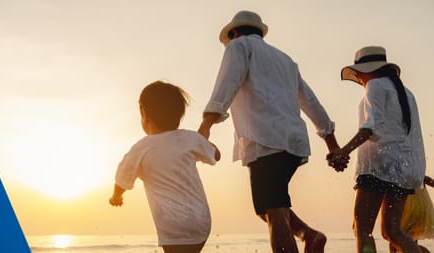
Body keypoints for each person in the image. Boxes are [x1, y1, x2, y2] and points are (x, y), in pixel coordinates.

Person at [197, 10, 340, 253]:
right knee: (268, 205)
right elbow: (310, 101)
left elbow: (226, 84)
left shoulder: (238, 46)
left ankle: (308, 236)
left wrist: (205, 126)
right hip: (293, 142)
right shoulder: (285, 60)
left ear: (235, 33)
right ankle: (309, 235)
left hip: (265, 139)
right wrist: (332, 144)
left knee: (272, 210)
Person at [327, 46, 426, 253]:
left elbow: (371, 127)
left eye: (357, 74)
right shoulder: (406, 93)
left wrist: (344, 150)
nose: (358, 79)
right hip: (404, 170)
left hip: (378, 167)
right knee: (392, 231)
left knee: (362, 229)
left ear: (366, 70)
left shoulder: (375, 85)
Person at [109, 81, 221, 253]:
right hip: (201, 222)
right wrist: (202, 143)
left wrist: (116, 196)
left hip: (173, 226)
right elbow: (216, 155)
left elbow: (122, 177)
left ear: (143, 113)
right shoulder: (190, 138)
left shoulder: (141, 148)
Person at [387, 176, 434, 253]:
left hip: (408, 206)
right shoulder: (416, 169)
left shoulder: (402, 170)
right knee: (409, 240)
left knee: (394, 235)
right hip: (422, 206)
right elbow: (426, 179)